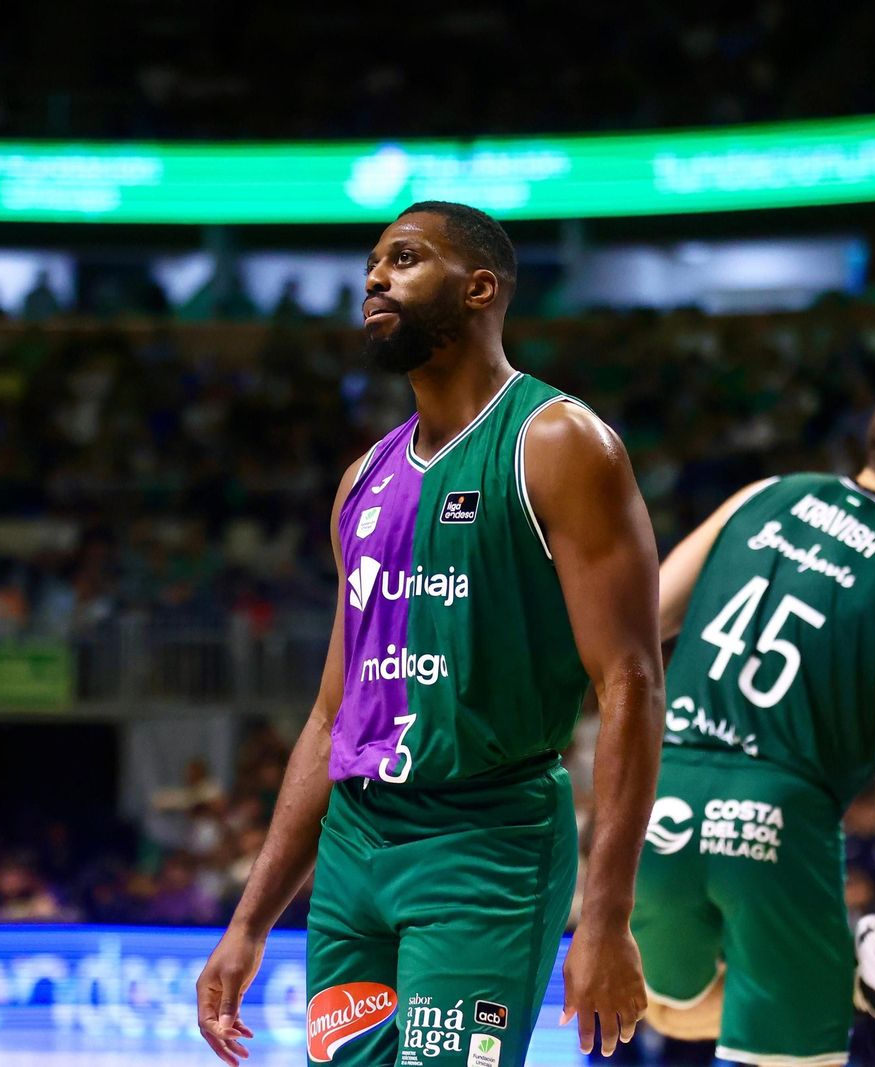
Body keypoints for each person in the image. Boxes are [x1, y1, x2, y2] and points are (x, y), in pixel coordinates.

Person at [195, 202, 664, 1067]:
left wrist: (606, 916)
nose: (375, 277)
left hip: (484, 843)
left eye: (405, 259)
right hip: (353, 853)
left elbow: (631, 680)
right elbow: (331, 718)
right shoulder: (361, 479)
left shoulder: (558, 442)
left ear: (479, 288)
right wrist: (249, 920)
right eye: (373, 262)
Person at [630, 380, 875, 1067]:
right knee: (788, 1049)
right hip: (780, 812)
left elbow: (643, 620)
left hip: (666, 785)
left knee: (659, 1009)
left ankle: (842, 983)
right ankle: (853, 981)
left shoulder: (762, 495)